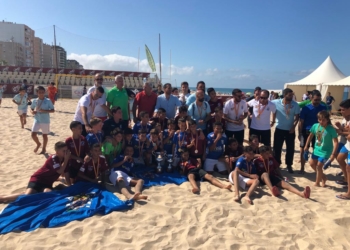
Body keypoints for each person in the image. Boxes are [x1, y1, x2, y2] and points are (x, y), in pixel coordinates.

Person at [0, 142, 70, 203]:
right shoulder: (53, 158)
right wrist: (66, 159)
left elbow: (66, 173)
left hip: (47, 183)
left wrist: (70, 186)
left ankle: (57, 187)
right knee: (27, 196)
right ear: (57, 152)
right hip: (38, 179)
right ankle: (3, 197)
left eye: (67, 150)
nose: (66, 153)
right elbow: (60, 171)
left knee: (48, 194)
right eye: (64, 151)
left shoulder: (64, 159)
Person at [304, 110, 338, 187]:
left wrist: (333, 154)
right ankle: (323, 177)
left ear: (327, 120)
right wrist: (306, 146)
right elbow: (310, 136)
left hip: (326, 151)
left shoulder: (331, 129)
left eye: (323, 120)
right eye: (320, 119)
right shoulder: (315, 126)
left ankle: (317, 182)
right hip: (317, 149)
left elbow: (336, 142)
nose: (321, 121)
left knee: (319, 166)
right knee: (312, 164)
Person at [298, 90, 327, 174]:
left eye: (319, 100)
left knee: (317, 149)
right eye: (315, 100)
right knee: (303, 149)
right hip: (306, 131)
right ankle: (302, 168)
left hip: (319, 132)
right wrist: (299, 133)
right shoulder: (306, 108)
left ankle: (316, 168)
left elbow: (327, 120)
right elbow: (301, 121)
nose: (317, 101)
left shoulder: (323, 108)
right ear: (311, 98)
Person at [272, 88, 300, 173]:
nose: (291, 97)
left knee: (290, 148)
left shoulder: (295, 104)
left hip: (290, 130)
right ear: (284, 95)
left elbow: (297, 117)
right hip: (279, 129)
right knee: (277, 148)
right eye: (290, 95)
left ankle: (289, 165)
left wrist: (293, 126)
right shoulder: (276, 102)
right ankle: (277, 164)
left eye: (292, 95)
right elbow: (265, 103)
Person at [30, 86, 55, 154]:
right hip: (37, 119)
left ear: (44, 92)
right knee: (33, 134)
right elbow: (31, 108)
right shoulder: (34, 100)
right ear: (37, 93)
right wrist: (32, 112)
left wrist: (44, 110)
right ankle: (38, 144)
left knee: (44, 135)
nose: (41, 94)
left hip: (45, 120)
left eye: (42, 92)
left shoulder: (48, 101)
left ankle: (44, 149)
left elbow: (53, 110)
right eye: (39, 92)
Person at [336, 99, 350, 199]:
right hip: (348, 144)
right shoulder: (346, 118)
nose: (341, 112)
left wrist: (342, 132)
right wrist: (340, 128)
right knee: (340, 158)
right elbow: (347, 130)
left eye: (343, 110)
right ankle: (346, 180)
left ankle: (349, 193)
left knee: (349, 168)